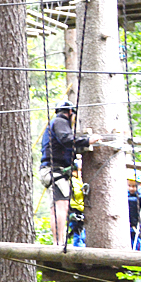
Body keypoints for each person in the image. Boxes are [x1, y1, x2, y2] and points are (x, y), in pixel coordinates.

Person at [38, 101, 100, 245]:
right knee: (61, 206)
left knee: (56, 206)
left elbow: (64, 144)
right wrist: (87, 140)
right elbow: (66, 139)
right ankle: (59, 242)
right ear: (70, 112)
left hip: (51, 170)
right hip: (55, 171)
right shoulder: (60, 121)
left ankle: (58, 241)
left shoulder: (54, 123)